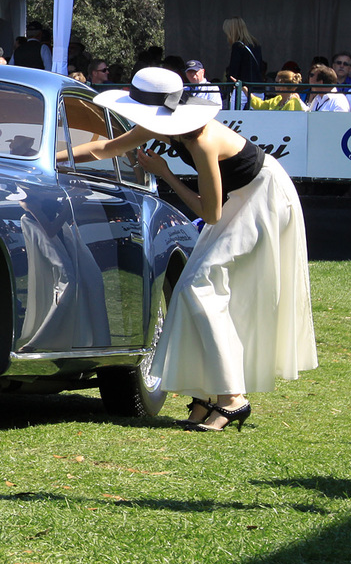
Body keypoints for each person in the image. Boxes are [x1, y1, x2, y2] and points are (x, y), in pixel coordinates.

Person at [71, 67, 316, 432]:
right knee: (192, 291)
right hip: (239, 198)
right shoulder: (165, 124)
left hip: (263, 197)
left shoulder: (202, 140)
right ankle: (205, 394)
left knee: (196, 288)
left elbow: (210, 213)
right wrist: (48, 157)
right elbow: (107, 147)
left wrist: (166, 174)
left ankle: (232, 398)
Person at [223, 17, 264, 86]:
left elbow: (234, 71)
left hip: (244, 89)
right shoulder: (255, 44)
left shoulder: (237, 46)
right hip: (257, 87)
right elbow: (261, 67)